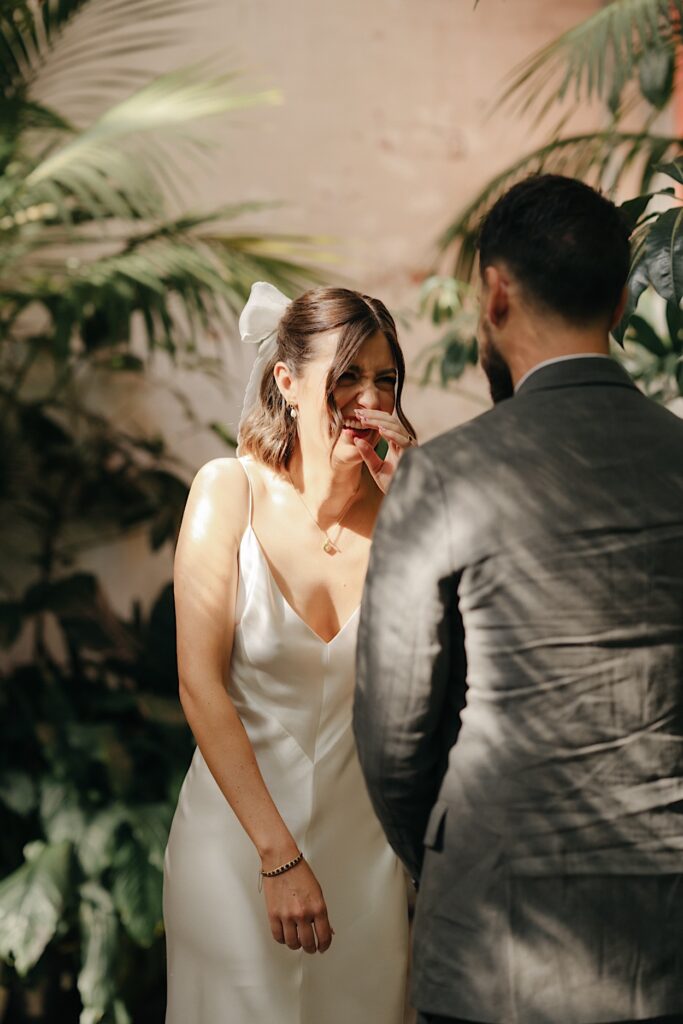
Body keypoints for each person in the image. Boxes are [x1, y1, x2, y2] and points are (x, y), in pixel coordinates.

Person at [354, 174, 683, 1024]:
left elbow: (394, 736)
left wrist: (455, 854)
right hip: (665, 940)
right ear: (618, 300)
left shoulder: (444, 475)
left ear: (495, 293)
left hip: (493, 935)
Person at [163, 283, 415, 1024]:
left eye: (385, 379)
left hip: (366, 864)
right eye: (346, 375)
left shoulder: (408, 512)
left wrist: (415, 508)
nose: (368, 397)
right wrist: (277, 857)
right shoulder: (226, 491)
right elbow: (197, 684)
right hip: (236, 851)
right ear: (286, 382)